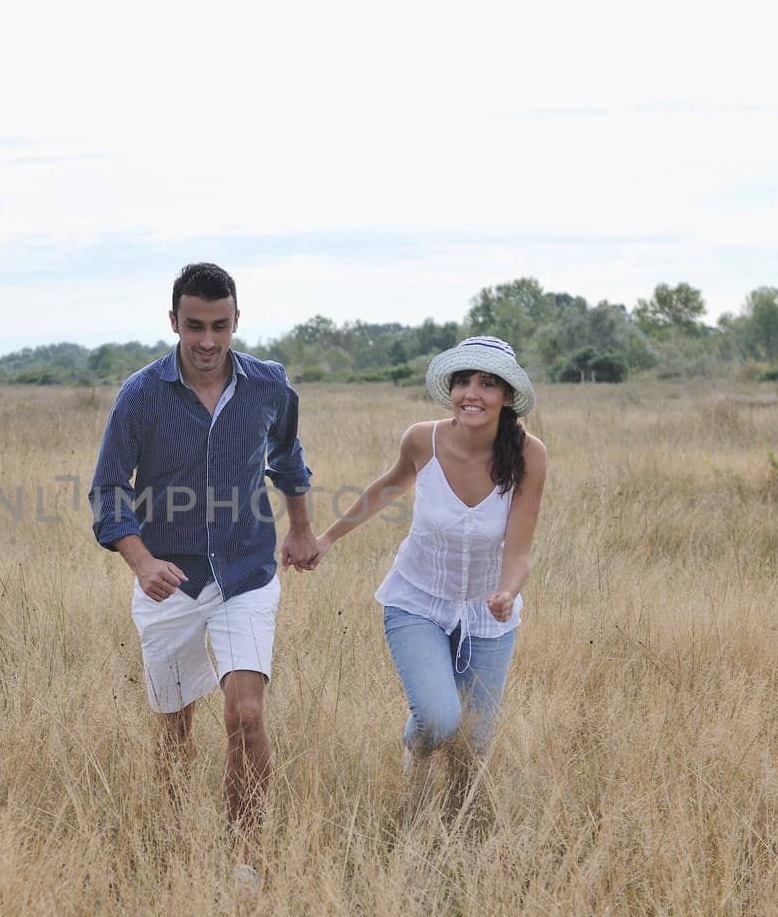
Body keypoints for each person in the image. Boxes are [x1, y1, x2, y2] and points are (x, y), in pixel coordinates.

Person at [90, 262, 318, 874]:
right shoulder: (140, 396)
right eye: (195, 326)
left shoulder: (269, 384)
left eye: (221, 325)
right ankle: (171, 854)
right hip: (169, 581)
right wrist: (140, 561)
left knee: (244, 715)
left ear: (237, 320)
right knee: (174, 729)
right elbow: (108, 490)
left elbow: (287, 457)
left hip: (246, 574)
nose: (208, 341)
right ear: (174, 322)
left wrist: (299, 529)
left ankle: (245, 861)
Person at [312, 336, 546, 803]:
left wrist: (506, 592)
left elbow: (519, 550)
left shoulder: (528, 455)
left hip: (486, 614)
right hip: (416, 600)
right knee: (440, 721)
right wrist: (327, 538)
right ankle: (414, 754)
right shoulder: (423, 439)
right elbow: (386, 488)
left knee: (473, 745)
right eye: (463, 382)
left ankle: (453, 831)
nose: (471, 394)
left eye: (487, 383)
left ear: (507, 396)